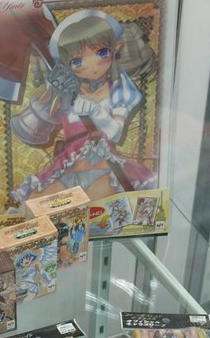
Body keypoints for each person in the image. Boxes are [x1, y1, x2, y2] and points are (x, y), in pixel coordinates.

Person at [11, 10, 155, 205]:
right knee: (35, 204)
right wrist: (52, 93)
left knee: (95, 204)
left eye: (102, 53)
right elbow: (33, 129)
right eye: (77, 62)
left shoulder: (120, 90)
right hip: (68, 172)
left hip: (105, 171)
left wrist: (96, 111)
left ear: (116, 47)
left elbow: (115, 134)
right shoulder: (66, 90)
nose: (92, 66)